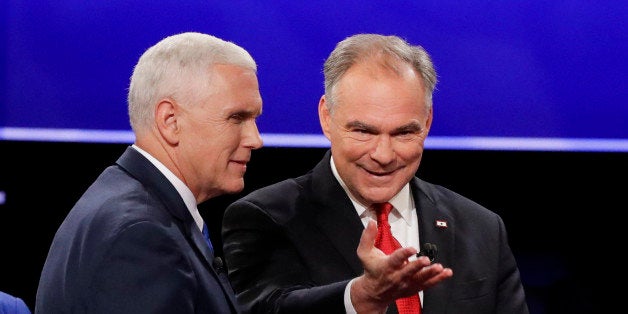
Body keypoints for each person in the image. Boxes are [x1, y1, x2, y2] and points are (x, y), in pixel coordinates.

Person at [222, 34, 529, 314]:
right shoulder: (267, 218)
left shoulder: (481, 228)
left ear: (428, 122)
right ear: (327, 117)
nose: (383, 155)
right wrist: (359, 298)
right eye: (364, 131)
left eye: (404, 133)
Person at [35, 31, 263, 313]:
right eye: (237, 118)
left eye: (254, 119)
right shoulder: (140, 234)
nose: (255, 139)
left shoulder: (129, 203)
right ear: (170, 121)